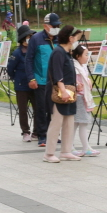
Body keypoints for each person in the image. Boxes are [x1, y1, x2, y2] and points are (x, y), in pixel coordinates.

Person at [43, 25, 83, 163]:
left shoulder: (67, 53)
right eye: (76, 37)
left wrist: (75, 85)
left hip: (69, 91)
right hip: (60, 93)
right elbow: (57, 73)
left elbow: (67, 73)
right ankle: (49, 153)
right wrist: (63, 90)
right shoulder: (58, 52)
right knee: (57, 123)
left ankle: (66, 151)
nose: (77, 40)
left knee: (68, 122)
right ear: (70, 38)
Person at [26, 13, 60, 147]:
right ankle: (42, 135)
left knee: (55, 109)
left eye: (58, 26)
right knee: (41, 108)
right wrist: (31, 78)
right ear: (46, 26)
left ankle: (54, 134)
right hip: (40, 79)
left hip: (57, 80)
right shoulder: (36, 39)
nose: (56, 28)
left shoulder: (59, 39)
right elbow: (28, 59)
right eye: (54, 25)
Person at [6, 24, 36, 142]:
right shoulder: (17, 53)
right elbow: (10, 69)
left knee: (38, 109)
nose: (30, 38)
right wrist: (17, 79)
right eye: (28, 36)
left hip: (34, 84)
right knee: (23, 110)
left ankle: (37, 131)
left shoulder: (34, 51)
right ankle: (25, 131)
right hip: (21, 86)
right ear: (23, 39)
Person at [71, 45, 99, 157]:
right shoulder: (75, 67)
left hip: (83, 97)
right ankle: (84, 147)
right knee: (82, 122)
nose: (87, 57)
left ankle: (72, 146)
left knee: (77, 123)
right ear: (78, 56)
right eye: (85, 54)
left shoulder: (81, 66)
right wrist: (78, 84)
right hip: (80, 98)